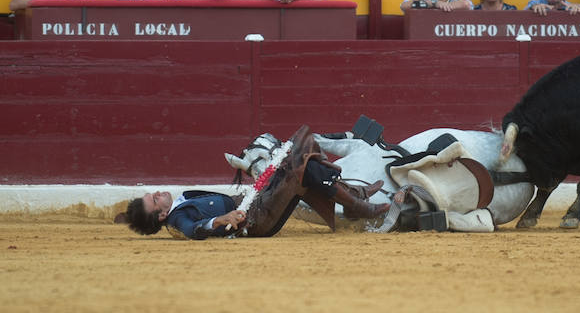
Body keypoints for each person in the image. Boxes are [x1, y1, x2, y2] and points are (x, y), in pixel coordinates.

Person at [124, 126, 389, 239]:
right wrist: (221, 219)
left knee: (302, 145)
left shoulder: (178, 207)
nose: (158, 193)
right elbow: (195, 230)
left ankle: (354, 198)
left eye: (153, 194)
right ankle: (356, 202)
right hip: (255, 220)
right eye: (155, 199)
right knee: (299, 164)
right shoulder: (176, 221)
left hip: (257, 203)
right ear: (160, 217)